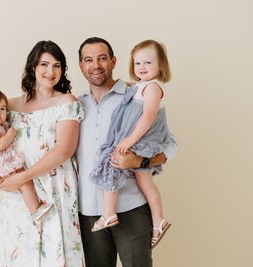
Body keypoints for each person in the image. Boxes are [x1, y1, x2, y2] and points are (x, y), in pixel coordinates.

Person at [76, 37, 177, 267]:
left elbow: (170, 144)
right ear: (81, 66)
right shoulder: (74, 106)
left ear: (113, 61)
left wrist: (140, 162)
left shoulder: (135, 96)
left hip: (131, 208)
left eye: (102, 58)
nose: (96, 65)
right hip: (89, 212)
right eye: (89, 60)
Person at [0, 40, 84, 267]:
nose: (50, 71)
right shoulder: (10, 106)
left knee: (55, 254)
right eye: (44, 64)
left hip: (54, 188)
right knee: (18, 253)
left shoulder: (66, 103)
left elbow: (64, 150)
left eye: (57, 65)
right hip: (19, 195)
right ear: (32, 66)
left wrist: (23, 177)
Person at [0, 88, 53, 226]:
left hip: (2, 163)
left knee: (24, 185)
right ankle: (35, 211)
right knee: (25, 183)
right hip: (1, 165)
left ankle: (34, 211)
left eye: (2, 109)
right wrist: (11, 132)